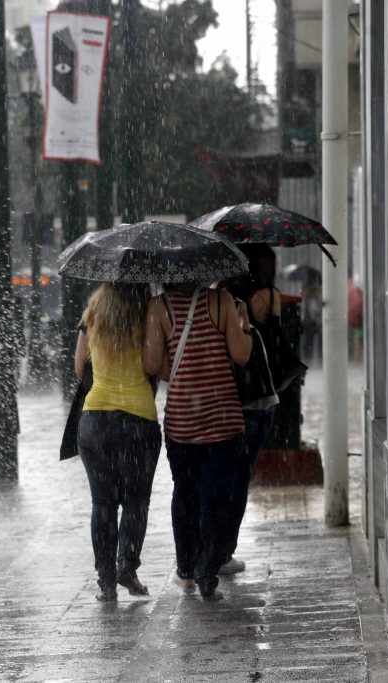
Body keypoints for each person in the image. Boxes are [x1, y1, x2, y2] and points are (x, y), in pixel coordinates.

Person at [143, 282, 252, 602]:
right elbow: (241, 355)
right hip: (222, 418)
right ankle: (208, 571)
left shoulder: (158, 307)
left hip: (182, 422)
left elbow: (151, 364)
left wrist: (180, 372)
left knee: (185, 493)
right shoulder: (221, 302)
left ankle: (187, 569)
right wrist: (243, 322)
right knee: (216, 497)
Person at [73, 283, 162, 602]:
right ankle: (128, 566)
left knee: (103, 503)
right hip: (137, 420)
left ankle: (106, 582)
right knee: (136, 502)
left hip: (95, 420)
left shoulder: (93, 311)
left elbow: (78, 365)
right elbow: (153, 365)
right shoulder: (148, 311)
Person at [219, 245, 283, 576]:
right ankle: (225, 548)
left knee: (221, 475)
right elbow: (276, 342)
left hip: (227, 396)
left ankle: (213, 545)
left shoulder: (223, 298)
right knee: (241, 478)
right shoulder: (269, 297)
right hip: (260, 397)